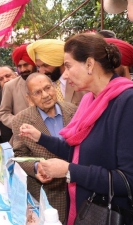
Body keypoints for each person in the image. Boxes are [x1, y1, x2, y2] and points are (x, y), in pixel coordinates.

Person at [19, 33, 133, 225]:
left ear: (89, 64)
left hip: (110, 214)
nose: (64, 74)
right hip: (84, 210)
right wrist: (40, 137)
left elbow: (129, 180)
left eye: (68, 65)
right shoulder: (89, 101)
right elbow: (75, 150)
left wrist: (69, 170)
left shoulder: (128, 102)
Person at [12, 73, 77, 222]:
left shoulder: (73, 111)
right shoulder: (21, 120)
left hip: (76, 189)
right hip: (47, 194)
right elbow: (20, 154)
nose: (46, 95)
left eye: (48, 88)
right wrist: (36, 167)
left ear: (54, 87)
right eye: (38, 92)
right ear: (29, 98)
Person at [27, 39, 85, 105]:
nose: (42, 72)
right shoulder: (42, 87)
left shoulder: (79, 81)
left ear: (58, 61)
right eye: (38, 67)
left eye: (46, 65)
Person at [0, 45, 37, 131]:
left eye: (26, 65)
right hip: (24, 138)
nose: (22, 70)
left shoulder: (47, 80)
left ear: (34, 63)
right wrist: (20, 125)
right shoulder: (10, 86)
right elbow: (3, 113)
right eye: (19, 66)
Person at [0, 65, 17, 142]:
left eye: (8, 76)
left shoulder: (27, 89)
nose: (5, 80)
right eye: (1, 79)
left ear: (16, 75)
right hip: (9, 144)